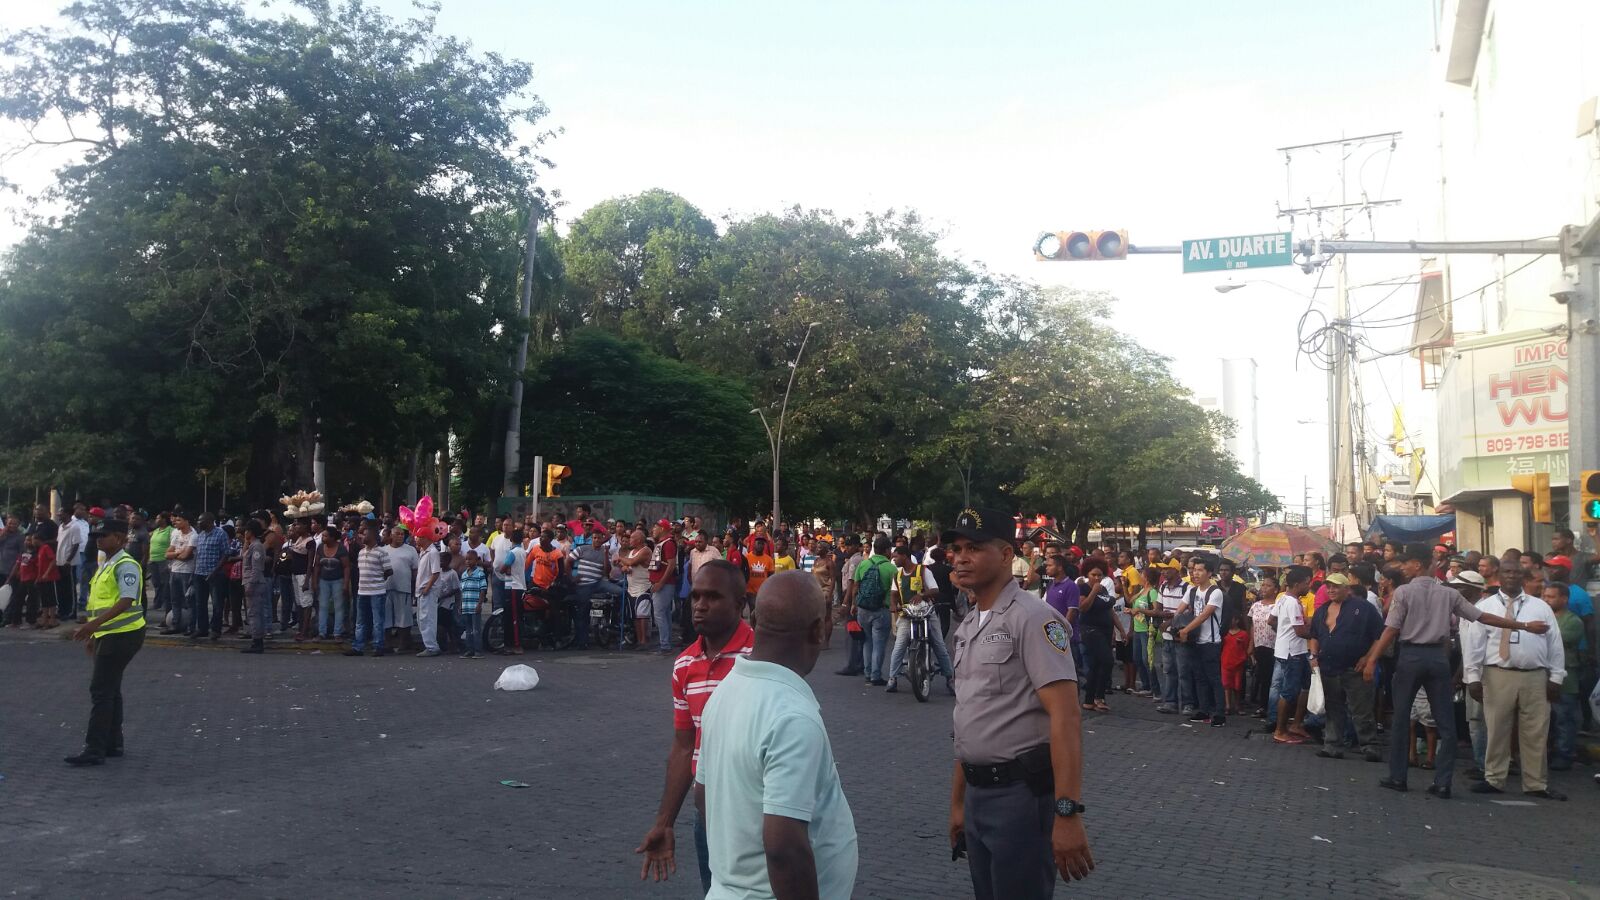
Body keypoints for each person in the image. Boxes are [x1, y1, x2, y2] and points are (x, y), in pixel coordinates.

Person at [945, 507, 1093, 898]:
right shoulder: (969, 624)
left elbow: (1066, 717)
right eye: (957, 549)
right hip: (978, 794)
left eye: (974, 548)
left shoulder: (1033, 619)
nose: (961, 558)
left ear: (1006, 554)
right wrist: (958, 802)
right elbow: (969, 720)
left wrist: (1067, 813)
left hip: (1020, 798)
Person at [695, 571, 856, 899]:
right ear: (818, 629)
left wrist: (736, 865)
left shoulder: (725, 692)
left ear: (754, 620)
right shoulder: (792, 717)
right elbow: (784, 848)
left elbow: (703, 794)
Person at [1363, 546, 1551, 799]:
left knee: (1401, 718)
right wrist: (1523, 625)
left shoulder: (1404, 592)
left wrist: (1372, 659)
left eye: (1406, 563)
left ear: (1418, 565)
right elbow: (1483, 617)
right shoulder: (1448, 593)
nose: (1402, 568)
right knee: (1446, 722)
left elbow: (1391, 629)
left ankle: (1398, 777)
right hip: (1438, 658)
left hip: (1411, 656)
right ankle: (1443, 782)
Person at [636, 559, 753, 894]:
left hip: (759, 819)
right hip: (708, 819)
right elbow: (685, 745)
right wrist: (665, 822)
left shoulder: (760, 657)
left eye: (713, 597)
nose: (700, 605)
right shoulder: (684, 664)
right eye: (696, 596)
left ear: (739, 604)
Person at [1461, 566, 1566, 800]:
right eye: (1507, 572)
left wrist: (1556, 677)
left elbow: (1555, 642)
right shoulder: (1486, 607)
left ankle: (1536, 783)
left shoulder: (1540, 607)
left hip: (1535, 675)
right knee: (1497, 728)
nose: (1512, 576)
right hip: (1497, 673)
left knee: (1536, 731)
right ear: (1500, 576)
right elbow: (1474, 645)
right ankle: (1494, 778)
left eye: (1516, 572)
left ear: (1523, 577)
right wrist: (1473, 678)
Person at [64, 519, 145, 767]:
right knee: (110, 688)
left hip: (122, 635)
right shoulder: (107, 564)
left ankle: (94, 748)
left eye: (104, 535)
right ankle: (113, 743)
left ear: (120, 538)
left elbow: (126, 601)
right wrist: (94, 633)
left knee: (100, 690)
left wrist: (92, 626)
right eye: (96, 535)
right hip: (108, 634)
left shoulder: (125, 564)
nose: (98, 539)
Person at [1307, 573, 1384, 761]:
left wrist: (1368, 658)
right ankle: (1332, 745)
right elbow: (1314, 636)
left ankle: (1369, 746)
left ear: (1347, 589)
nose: (1331, 590)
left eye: (1336, 586)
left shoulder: (1363, 608)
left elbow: (1379, 636)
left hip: (1354, 667)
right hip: (1329, 667)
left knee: (1361, 710)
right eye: (1328, 587)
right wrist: (1313, 655)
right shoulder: (1322, 610)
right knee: (1333, 709)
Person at [884, 545, 954, 695]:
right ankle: (892, 678)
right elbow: (894, 594)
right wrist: (893, 605)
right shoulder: (897, 575)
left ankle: (950, 678)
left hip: (926, 613)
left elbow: (935, 590)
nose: (893, 560)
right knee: (899, 646)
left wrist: (922, 595)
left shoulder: (923, 570)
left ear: (905, 556)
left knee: (939, 645)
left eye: (896, 557)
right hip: (907, 614)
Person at [1174, 556, 1227, 726]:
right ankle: (1204, 711)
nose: (1195, 573)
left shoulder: (1215, 592)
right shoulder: (1192, 591)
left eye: (1200, 570)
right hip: (1194, 641)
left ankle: (1219, 714)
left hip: (1210, 642)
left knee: (1214, 679)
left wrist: (1185, 630)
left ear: (1209, 573)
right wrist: (1174, 624)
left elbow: (1205, 615)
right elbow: (1179, 611)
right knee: (1199, 677)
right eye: (1194, 570)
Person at [846, 535, 897, 687]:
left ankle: (868, 673)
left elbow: (856, 586)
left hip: (863, 609)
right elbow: (895, 591)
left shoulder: (864, 564)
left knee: (867, 642)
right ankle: (876, 675)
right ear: (887, 550)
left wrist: (853, 604)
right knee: (879, 643)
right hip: (881, 609)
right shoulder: (891, 568)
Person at [1269, 566, 1312, 745]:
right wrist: (1319, 635)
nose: (1308, 586)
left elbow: (1271, 620)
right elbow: (1300, 631)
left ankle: (1296, 724)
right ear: (1297, 584)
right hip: (1291, 652)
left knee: (1306, 686)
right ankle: (1280, 730)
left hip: (1294, 650)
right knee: (1289, 691)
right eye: (1306, 583)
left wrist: (1282, 632)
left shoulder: (1283, 599)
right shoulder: (1292, 603)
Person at [1546, 581, 1584, 772]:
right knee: (1548, 719)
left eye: (1551, 597)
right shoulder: (1544, 617)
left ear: (1564, 599)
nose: (1546, 600)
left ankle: (1564, 754)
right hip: (1544, 675)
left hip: (1566, 677)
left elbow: (1555, 640)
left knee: (1564, 718)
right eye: (1545, 596)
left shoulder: (1573, 621)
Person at [347, 524, 392, 657]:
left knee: (377, 621)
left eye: (364, 534)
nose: (362, 537)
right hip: (362, 591)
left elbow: (389, 570)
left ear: (372, 536)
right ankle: (358, 647)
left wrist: (378, 579)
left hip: (377, 592)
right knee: (360, 621)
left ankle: (378, 646)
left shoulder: (381, 552)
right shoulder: (361, 552)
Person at [648, 520, 681, 653]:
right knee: (665, 614)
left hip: (664, 585)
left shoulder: (668, 543)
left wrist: (661, 582)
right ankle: (666, 643)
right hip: (662, 584)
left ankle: (665, 645)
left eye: (655, 527)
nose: (653, 530)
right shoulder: (663, 543)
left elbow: (671, 565)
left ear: (662, 529)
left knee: (659, 614)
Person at [1247, 577, 1278, 717]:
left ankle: (1270, 706)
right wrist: (1251, 644)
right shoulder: (1256, 606)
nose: (1264, 588)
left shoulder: (1278, 605)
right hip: (1260, 645)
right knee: (1262, 676)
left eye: (1268, 585)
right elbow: (1253, 626)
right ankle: (1262, 705)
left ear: (1275, 589)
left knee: (1272, 678)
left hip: (1274, 646)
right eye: (1263, 585)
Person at [384, 526, 419, 652]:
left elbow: (415, 570)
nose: (400, 536)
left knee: (404, 617)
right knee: (386, 617)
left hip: (404, 587)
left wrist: (415, 588)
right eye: (397, 534)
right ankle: (387, 644)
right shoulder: (383, 550)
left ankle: (403, 644)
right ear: (391, 535)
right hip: (386, 588)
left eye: (402, 534)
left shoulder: (411, 550)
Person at [240, 520, 272, 654]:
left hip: (255, 583)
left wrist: (251, 585)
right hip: (251, 582)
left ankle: (257, 641)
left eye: (246, 531)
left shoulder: (257, 547)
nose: (244, 533)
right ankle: (256, 638)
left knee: (254, 613)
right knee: (254, 612)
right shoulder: (252, 545)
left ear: (251, 532)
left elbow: (256, 568)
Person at [1221, 614, 1251, 716]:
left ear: (1237, 620)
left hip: (1238, 663)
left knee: (1237, 686)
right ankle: (1228, 706)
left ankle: (1237, 705)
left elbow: (1246, 647)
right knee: (1227, 685)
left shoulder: (1243, 634)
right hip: (1226, 662)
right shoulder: (1224, 633)